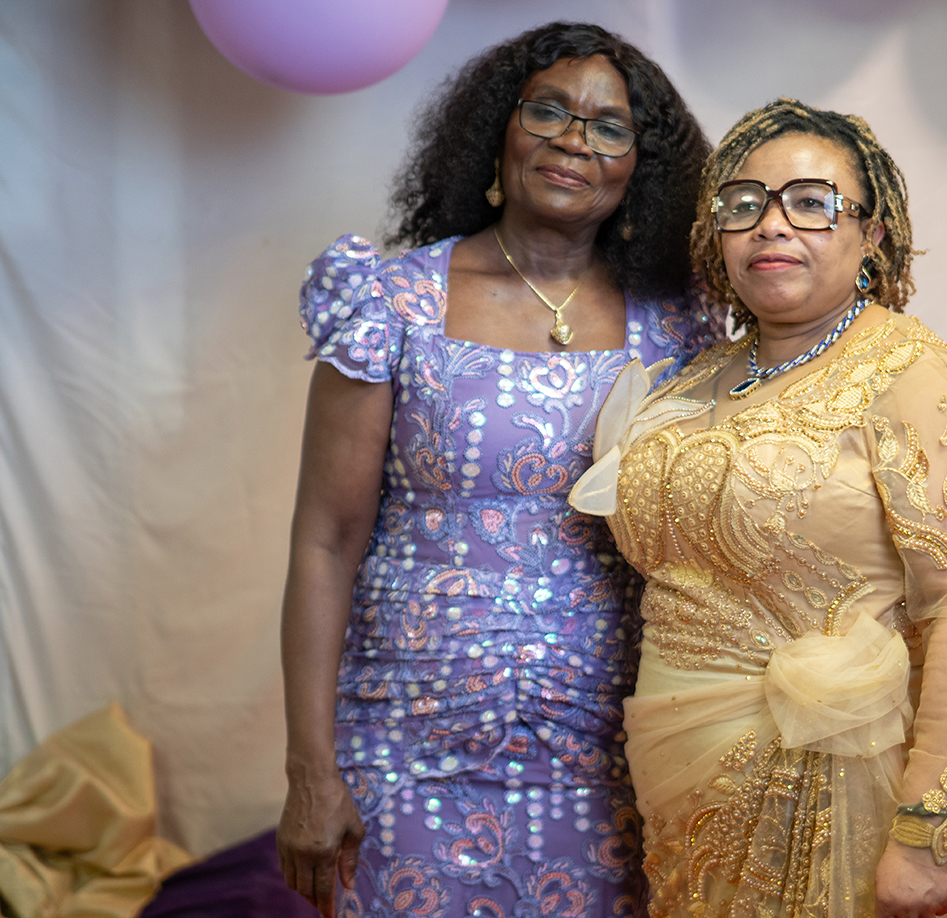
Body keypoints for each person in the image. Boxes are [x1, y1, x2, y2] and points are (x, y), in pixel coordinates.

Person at [276, 22, 719, 918]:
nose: (573, 140)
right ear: (499, 130)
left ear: (640, 166)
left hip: (605, 750)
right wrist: (310, 772)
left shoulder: (679, 328)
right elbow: (326, 541)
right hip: (406, 741)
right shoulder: (392, 302)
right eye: (548, 111)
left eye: (609, 127)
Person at [569, 99, 947, 918]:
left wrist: (928, 838)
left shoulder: (917, 377)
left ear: (871, 233)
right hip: (673, 790)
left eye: (811, 203)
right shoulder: (693, 378)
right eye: (743, 204)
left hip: (828, 788)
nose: (771, 225)